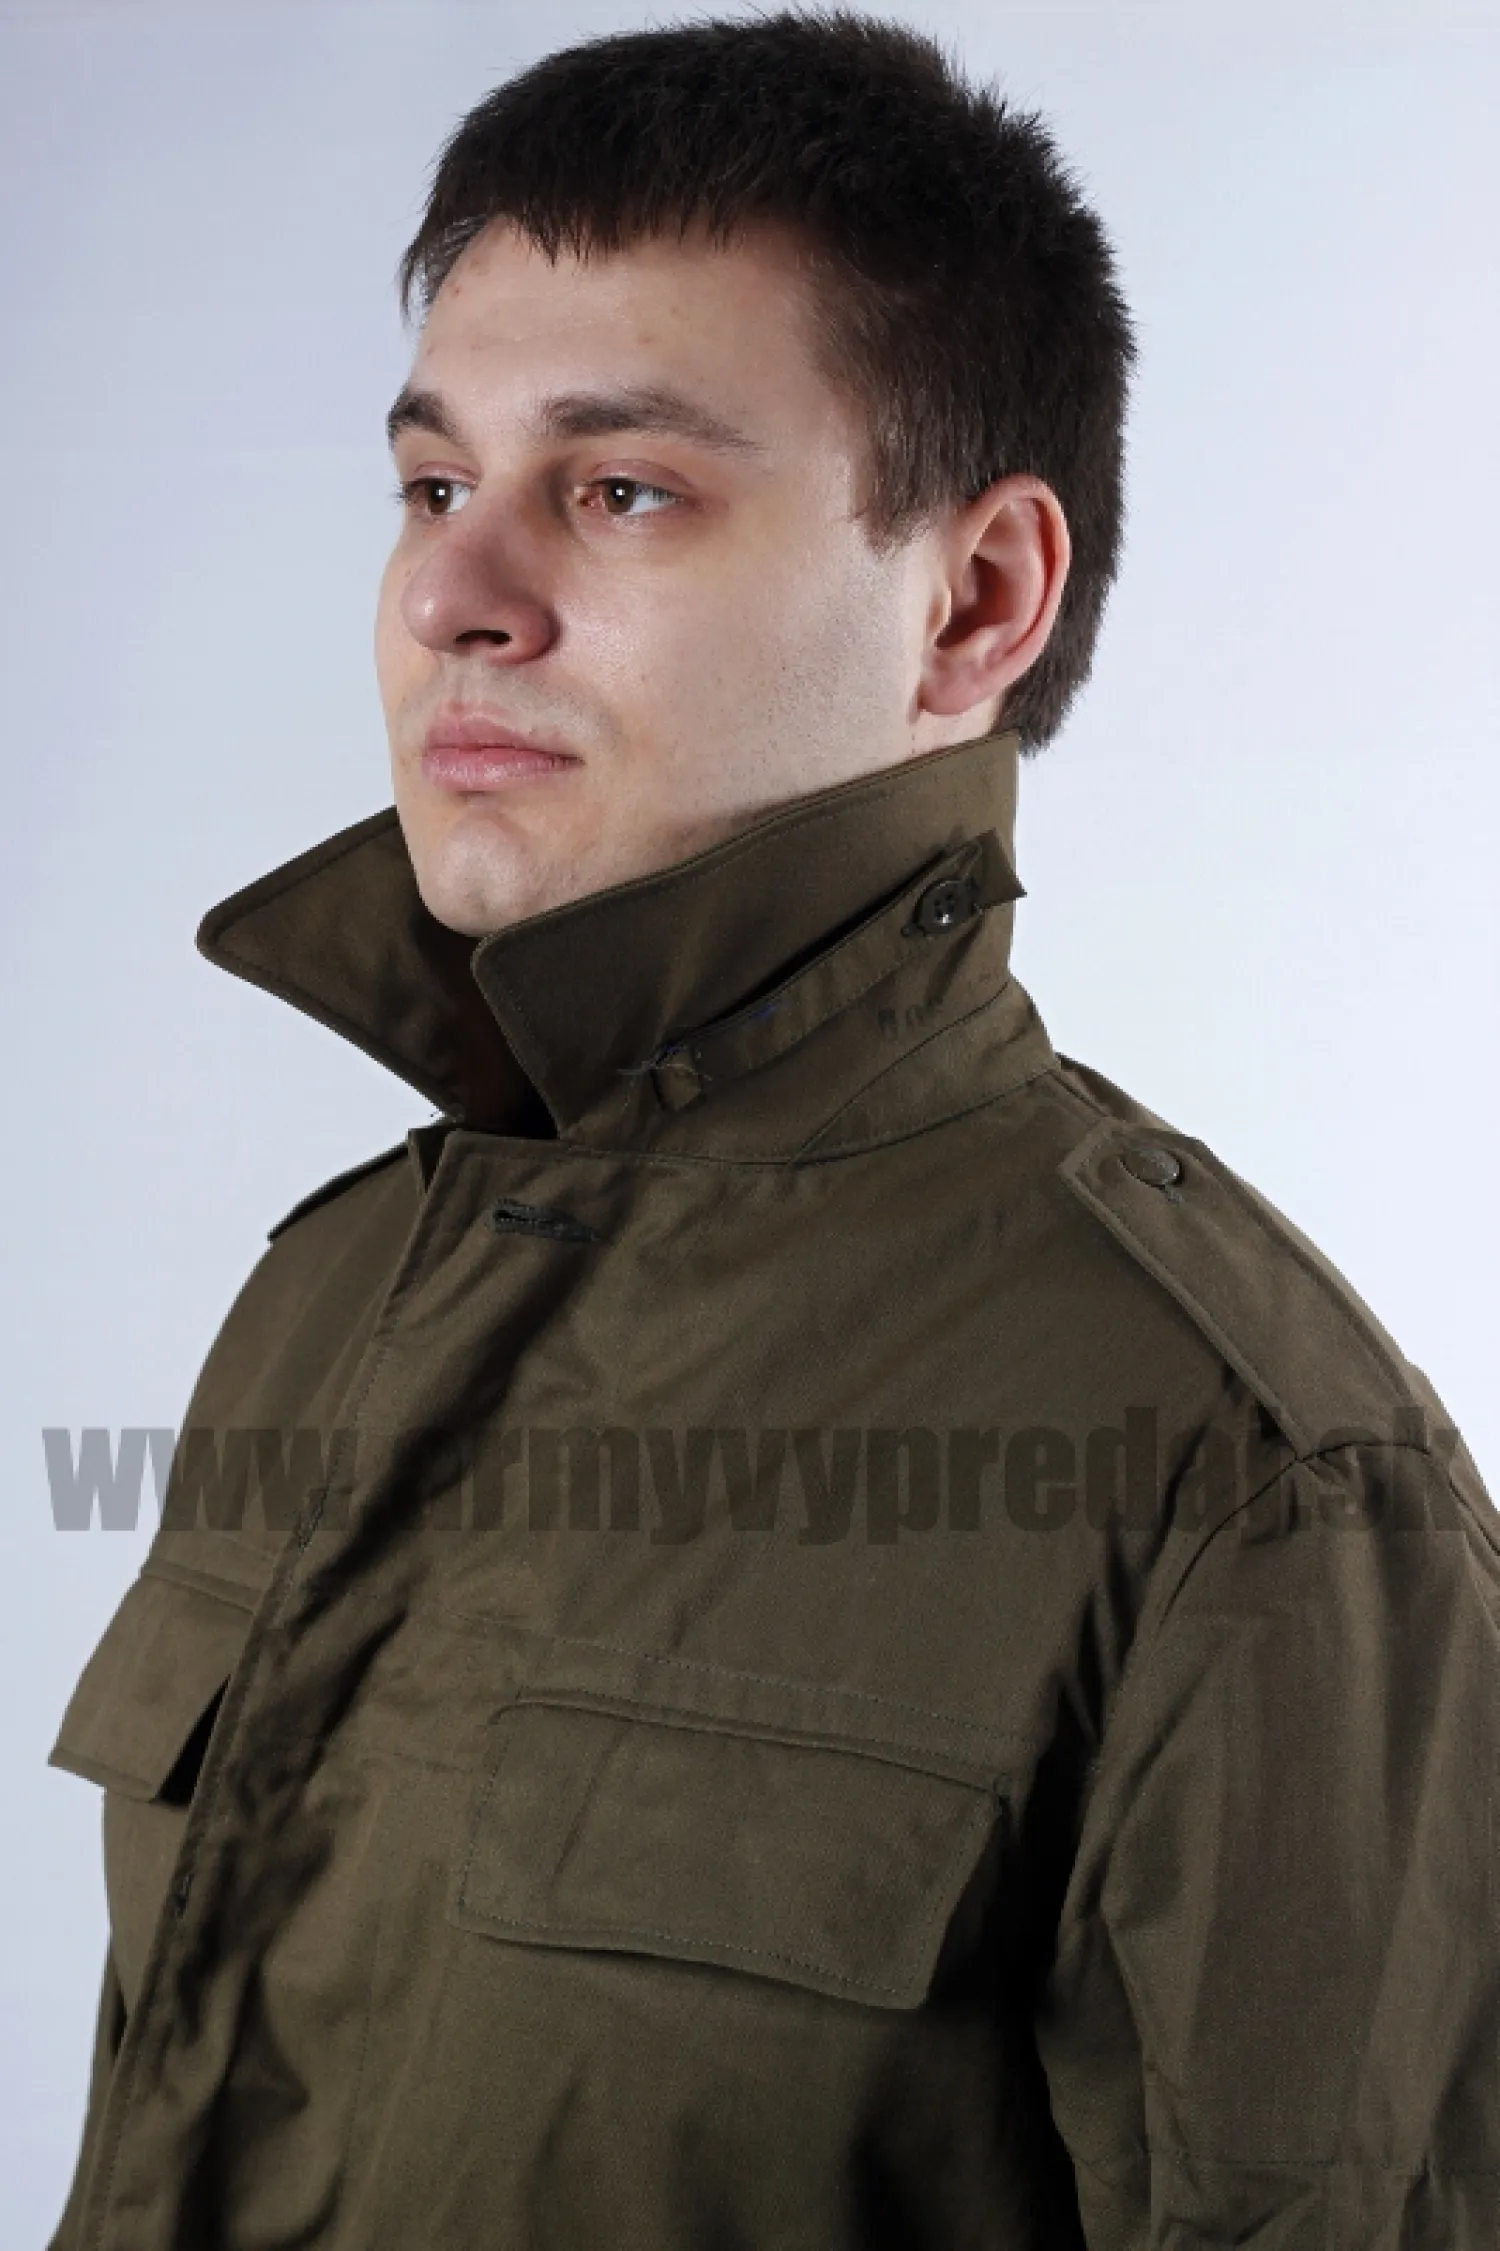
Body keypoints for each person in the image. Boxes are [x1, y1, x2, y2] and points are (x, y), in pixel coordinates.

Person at [47, 12, 1500, 2248]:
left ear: (975, 601)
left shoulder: (1251, 1481)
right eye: (432, 486)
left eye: (619, 489)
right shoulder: (331, 1291)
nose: (448, 594)